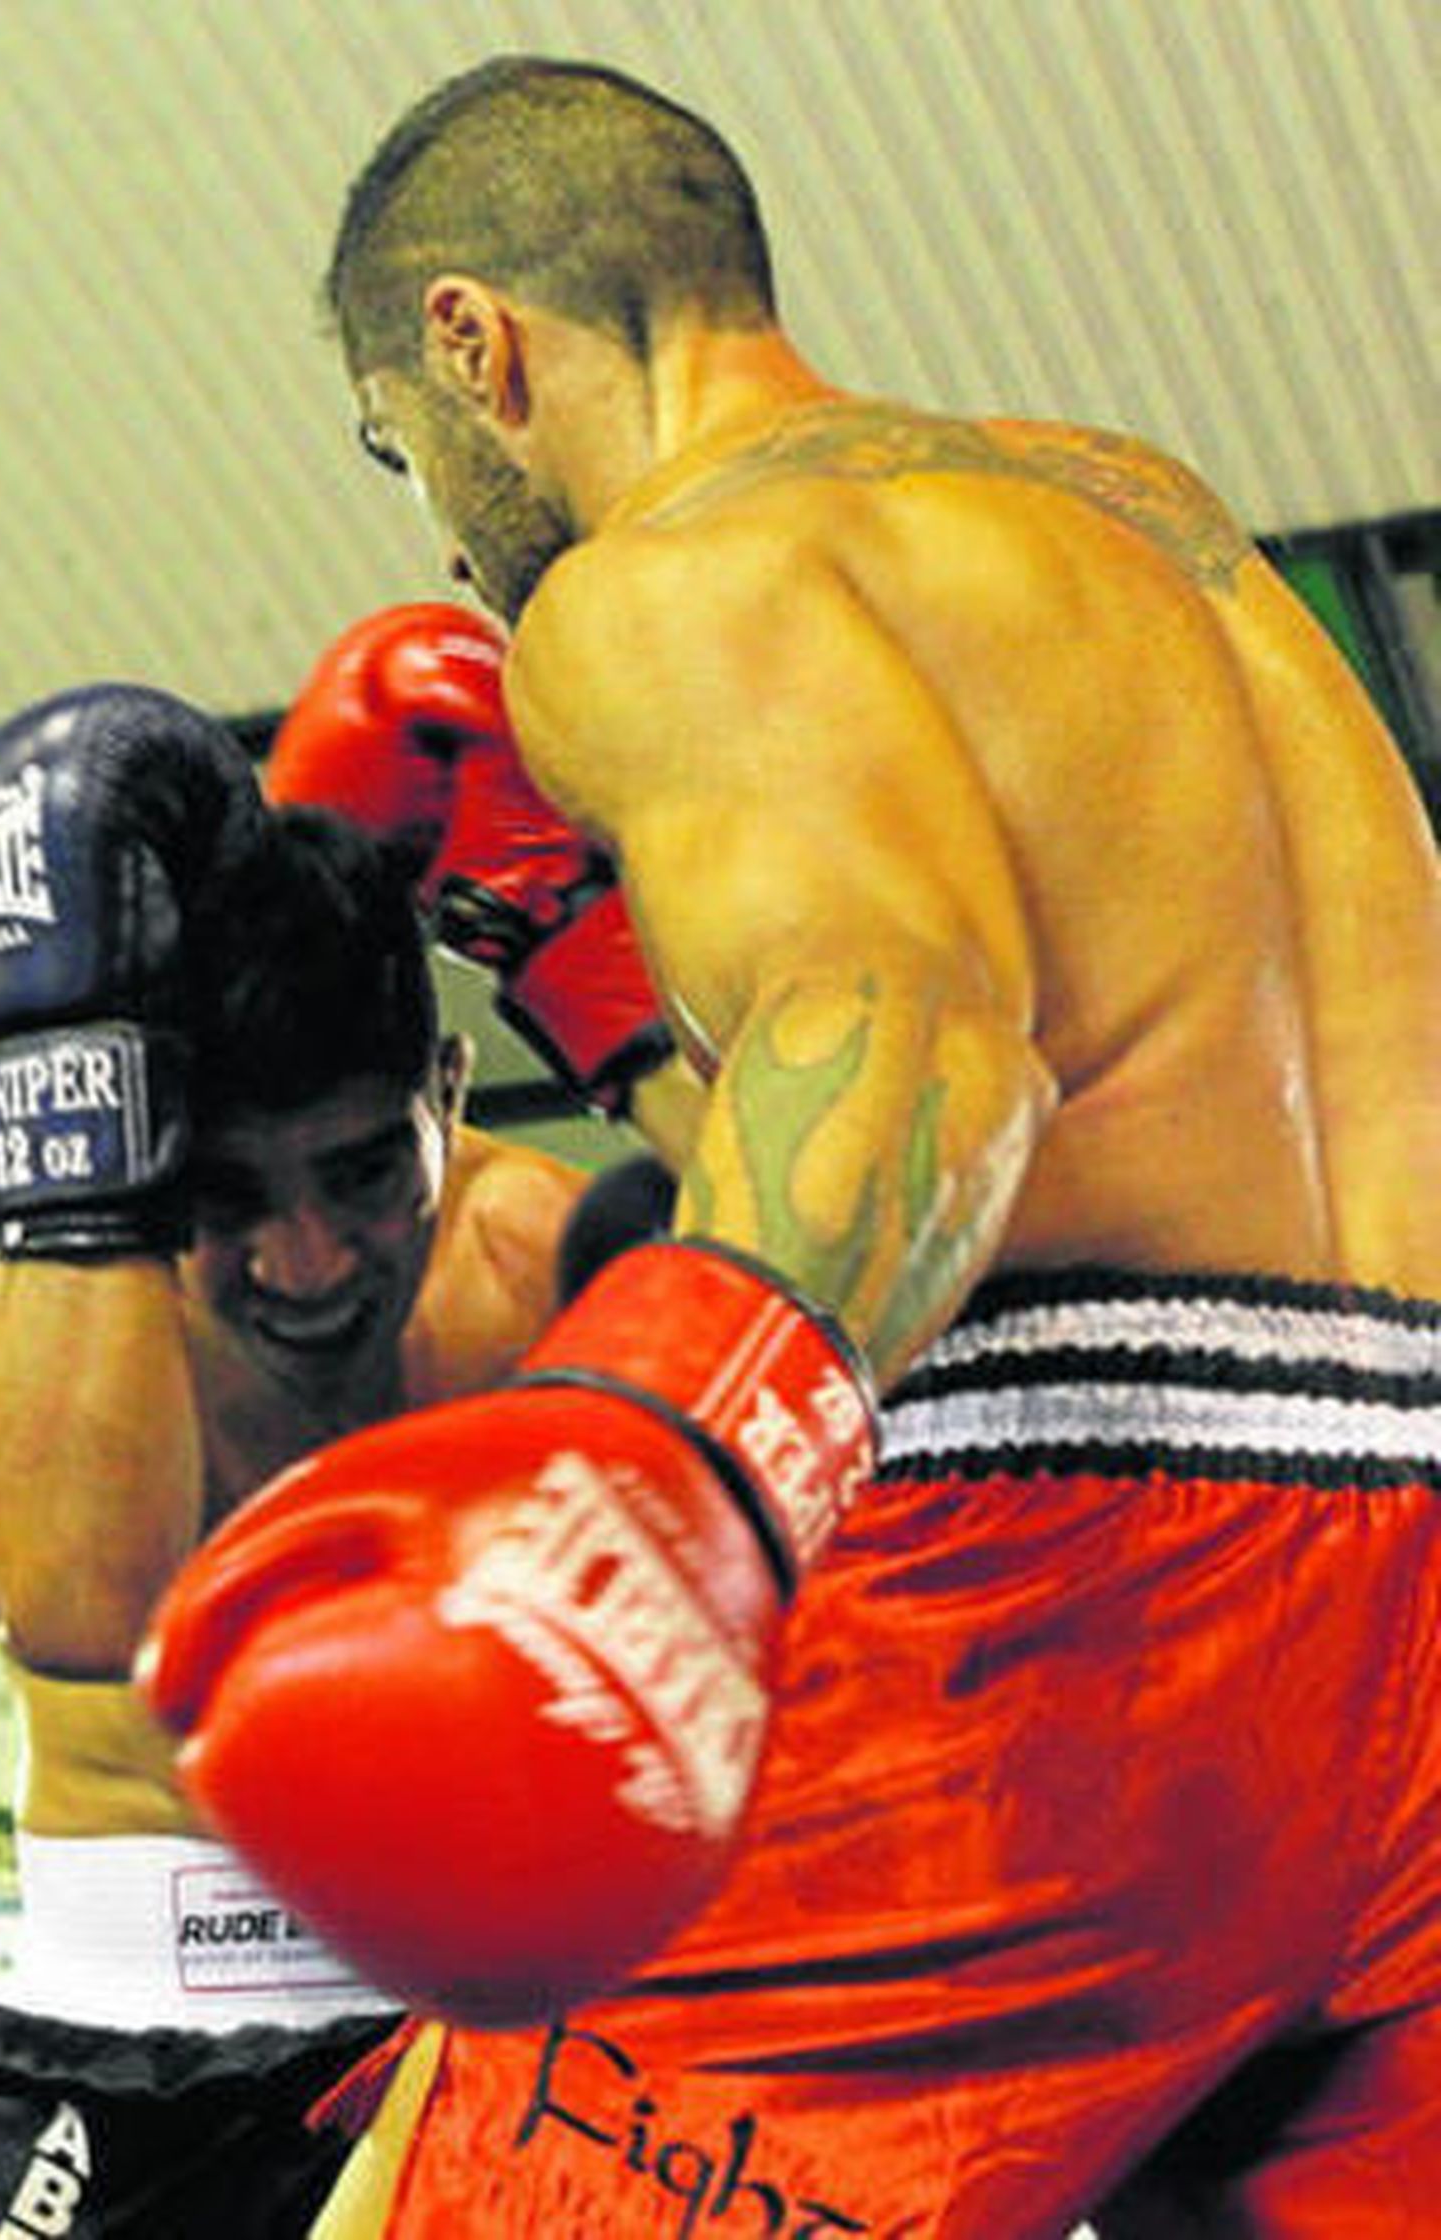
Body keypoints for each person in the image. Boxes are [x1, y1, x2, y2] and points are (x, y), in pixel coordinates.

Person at [139, 54, 1441, 2238]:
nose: (442, 534)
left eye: (405, 449)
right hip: (1406, 1626)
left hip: (1064, 1627)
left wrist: (662, 1478)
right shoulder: (1148, 522)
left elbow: (914, 1038)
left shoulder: (665, 584)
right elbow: (1069, 1117)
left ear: (475, 342)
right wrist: (577, 965)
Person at [0, 648, 673, 2238]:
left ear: (449, 1089)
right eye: (225, 1203)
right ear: (136, 1158)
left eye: (369, 1172)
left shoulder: (538, 1278)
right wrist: (71, 1144)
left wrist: (614, 1001)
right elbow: (80, 1608)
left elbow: (878, 1334)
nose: (310, 1264)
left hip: (494, 2045)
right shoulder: (20, 1291)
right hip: (113, 2048)